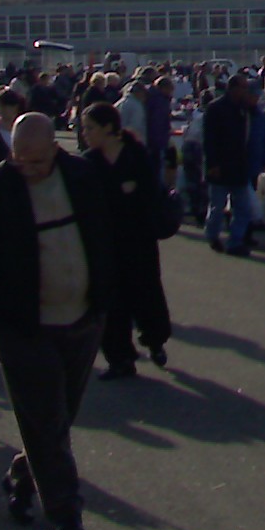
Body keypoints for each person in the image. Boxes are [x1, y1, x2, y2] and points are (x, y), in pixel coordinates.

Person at [0, 113, 114, 530]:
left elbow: (106, 234)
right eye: (20, 161)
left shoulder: (83, 177)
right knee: (47, 421)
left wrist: (108, 295)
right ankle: (65, 511)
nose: (28, 170)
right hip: (25, 328)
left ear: (55, 147)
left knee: (58, 417)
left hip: (83, 317)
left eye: (36, 161)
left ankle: (22, 474)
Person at [81, 102, 172, 380]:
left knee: (145, 292)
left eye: (90, 128)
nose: (85, 133)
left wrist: (132, 192)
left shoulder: (134, 154)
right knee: (110, 301)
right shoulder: (89, 161)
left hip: (138, 238)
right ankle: (120, 358)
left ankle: (155, 339)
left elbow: (151, 192)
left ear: (109, 127)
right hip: (105, 242)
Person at [203, 74, 255, 256]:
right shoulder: (216, 108)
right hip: (220, 165)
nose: (245, 92)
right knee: (217, 206)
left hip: (238, 166)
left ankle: (235, 241)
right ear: (233, 88)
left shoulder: (244, 109)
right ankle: (212, 235)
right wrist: (212, 164)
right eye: (243, 88)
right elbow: (209, 140)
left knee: (244, 207)